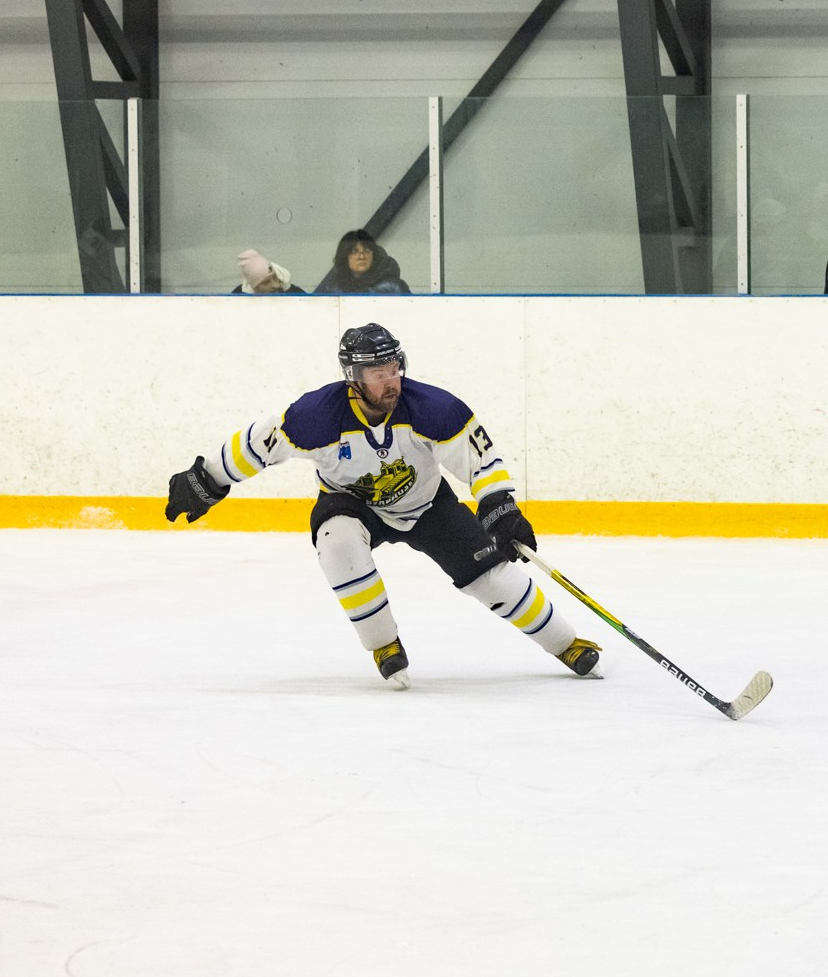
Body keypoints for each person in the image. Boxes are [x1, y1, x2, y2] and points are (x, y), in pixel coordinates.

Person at [161, 323, 599, 689]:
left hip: (428, 505)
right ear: (353, 376)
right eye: (377, 373)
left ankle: (566, 643)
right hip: (351, 504)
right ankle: (383, 644)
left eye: (394, 368)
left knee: (490, 575)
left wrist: (499, 507)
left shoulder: (434, 408)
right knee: (337, 544)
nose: (390, 381)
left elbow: (480, 460)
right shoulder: (317, 416)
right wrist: (206, 479)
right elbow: (258, 442)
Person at [318, 229, 411, 295]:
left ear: (373, 255)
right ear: (344, 256)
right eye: (354, 252)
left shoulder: (394, 287)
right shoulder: (332, 288)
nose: (361, 257)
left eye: (366, 251)